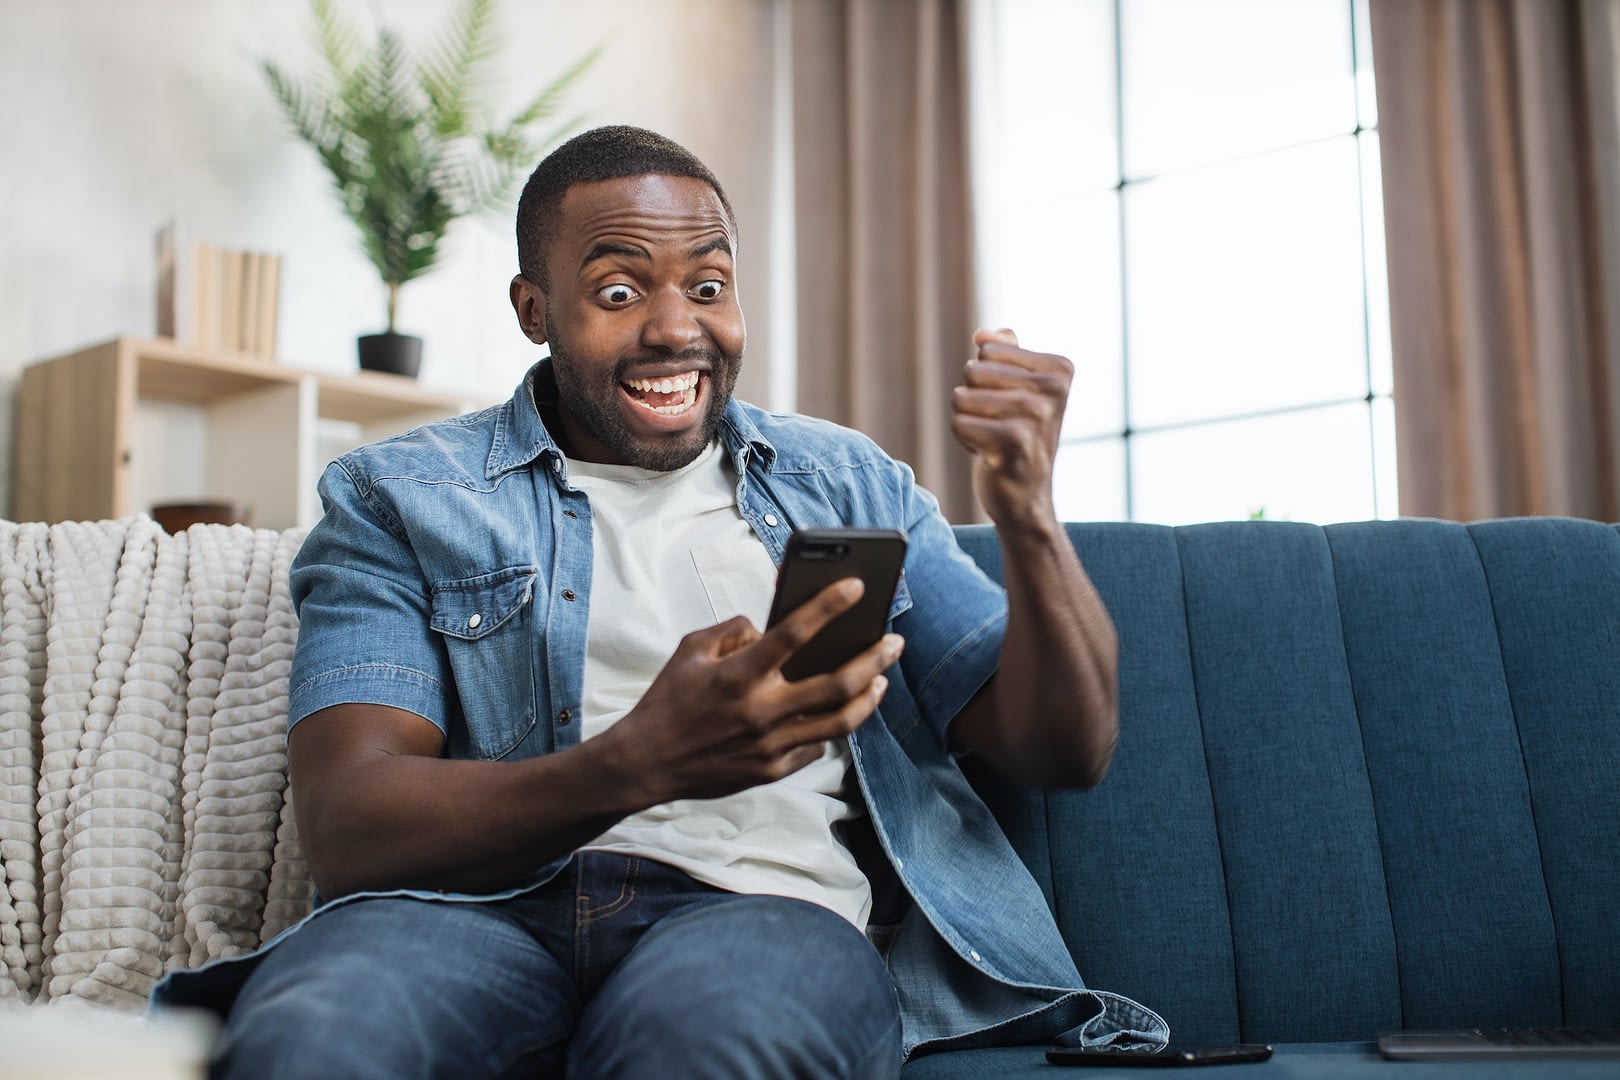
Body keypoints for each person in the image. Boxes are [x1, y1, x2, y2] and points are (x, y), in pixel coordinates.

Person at [151, 124, 1167, 1077]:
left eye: (709, 284)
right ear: (534, 310)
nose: (676, 329)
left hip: (759, 913)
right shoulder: (402, 496)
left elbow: (1062, 750)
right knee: (314, 1043)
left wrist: (1029, 509)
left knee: (706, 1049)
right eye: (620, 289)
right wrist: (640, 760)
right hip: (465, 913)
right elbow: (352, 821)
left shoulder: (847, 481)